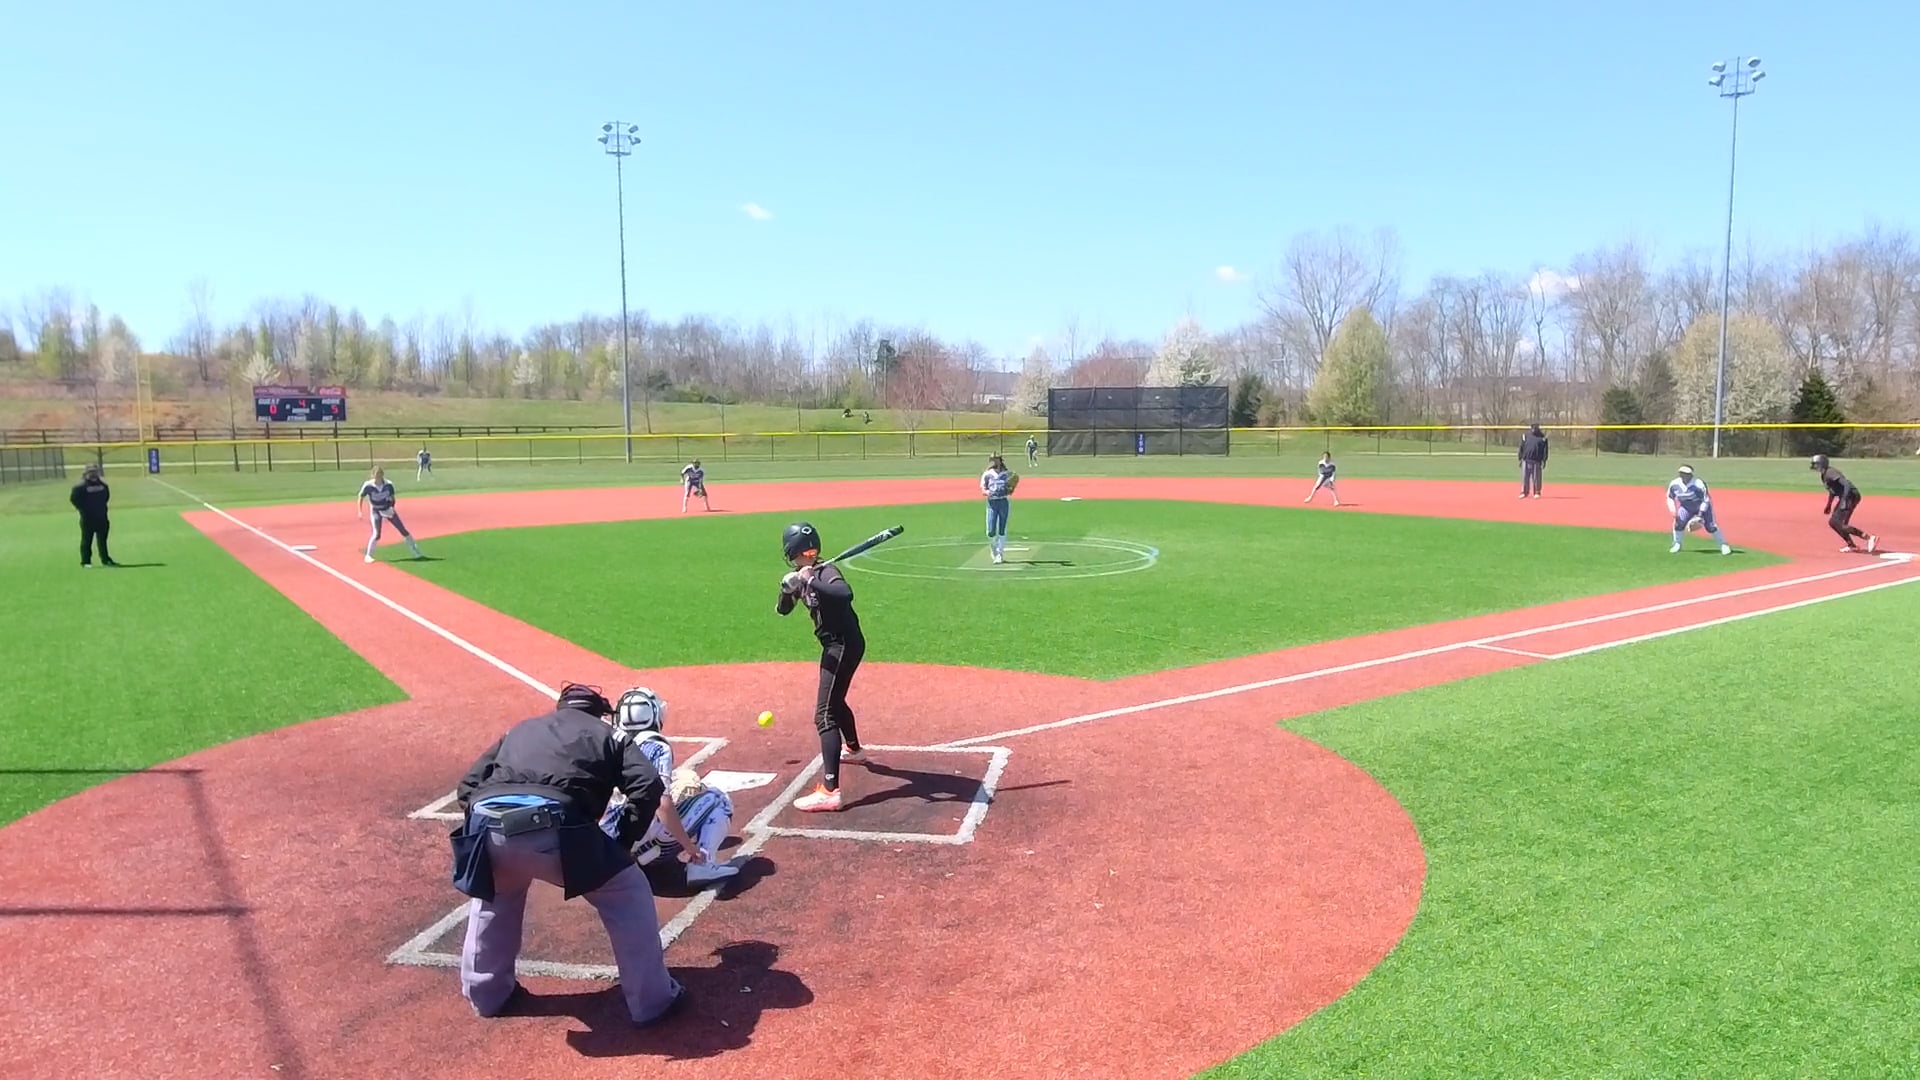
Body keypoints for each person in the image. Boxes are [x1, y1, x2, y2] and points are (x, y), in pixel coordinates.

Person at [450, 683, 690, 1026]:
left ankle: (486, 995)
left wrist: (487, 828)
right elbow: (648, 786)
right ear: (601, 713)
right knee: (628, 891)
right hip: (555, 826)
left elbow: (468, 787)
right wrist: (623, 841)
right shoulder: (610, 735)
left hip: (487, 825)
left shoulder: (520, 730)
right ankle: (653, 1001)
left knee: (495, 895)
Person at [597, 686, 740, 888]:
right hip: (641, 841)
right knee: (718, 799)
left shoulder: (610, 742)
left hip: (607, 845)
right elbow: (662, 805)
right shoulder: (657, 747)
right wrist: (690, 848)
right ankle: (702, 865)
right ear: (654, 714)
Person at [776, 522, 869, 812]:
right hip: (836, 646)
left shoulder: (826, 572)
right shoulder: (803, 574)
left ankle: (830, 791)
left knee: (824, 714)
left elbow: (844, 594)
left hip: (842, 646)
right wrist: (787, 588)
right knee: (835, 700)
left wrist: (810, 579)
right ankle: (853, 748)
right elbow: (783, 610)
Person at [1810, 454, 1879, 553]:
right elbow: (1832, 492)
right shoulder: (1824, 475)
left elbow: (1846, 484)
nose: (1815, 466)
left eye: (1816, 464)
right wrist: (1829, 505)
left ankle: (1870, 538)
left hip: (1851, 496)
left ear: (1822, 463)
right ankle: (1852, 545)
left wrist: (1844, 500)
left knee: (1841, 524)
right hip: (1845, 497)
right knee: (1833, 522)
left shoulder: (1831, 472)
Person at [356, 465, 424, 564]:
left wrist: (391, 508)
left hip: (387, 509)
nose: (378, 477)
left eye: (379, 475)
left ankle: (415, 551)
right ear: (372, 475)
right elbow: (361, 496)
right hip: (376, 510)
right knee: (377, 534)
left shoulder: (388, 485)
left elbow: (392, 498)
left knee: (403, 530)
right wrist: (360, 511)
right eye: (376, 475)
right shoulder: (368, 485)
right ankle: (368, 555)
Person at [1664, 465, 1733, 555]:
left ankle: (1723, 545)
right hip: (1686, 507)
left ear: (1691, 474)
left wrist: (1700, 514)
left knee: (1711, 527)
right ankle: (1677, 543)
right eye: (1682, 473)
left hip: (1701, 506)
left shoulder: (1698, 484)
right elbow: (1670, 497)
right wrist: (1673, 510)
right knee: (1678, 523)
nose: (1684, 476)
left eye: (1686, 474)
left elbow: (1706, 499)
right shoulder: (1674, 484)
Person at [70, 462, 117, 568]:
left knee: (102, 541)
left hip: (102, 517)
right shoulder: (80, 487)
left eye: (95, 471)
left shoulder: (103, 486)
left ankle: (105, 559)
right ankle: (86, 561)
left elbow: (106, 497)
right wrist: (83, 509)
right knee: (87, 540)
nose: (93, 474)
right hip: (88, 519)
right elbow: (74, 499)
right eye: (91, 472)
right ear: (86, 473)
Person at [980, 454, 1016, 564]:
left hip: (1003, 502)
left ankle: (999, 553)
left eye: (996, 459)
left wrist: (1011, 488)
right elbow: (983, 489)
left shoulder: (1006, 474)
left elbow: (1010, 488)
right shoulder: (987, 474)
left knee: (1002, 528)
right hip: (992, 502)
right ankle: (993, 548)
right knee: (990, 530)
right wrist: (987, 492)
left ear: (1000, 461)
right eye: (992, 460)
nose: (994, 461)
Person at [1518, 423, 1549, 499]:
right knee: (1525, 477)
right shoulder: (1526, 436)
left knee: (1536, 478)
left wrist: (1544, 460)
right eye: (1533, 428)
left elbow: (1545, 451)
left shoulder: (1542, 438)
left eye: (1536, 428)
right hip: (1526, 459)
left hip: (1536, 461)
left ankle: (1537, 492)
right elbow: (1521, 447)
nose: (1534, 429)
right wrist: (1520, 458)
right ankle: (1524, 492)